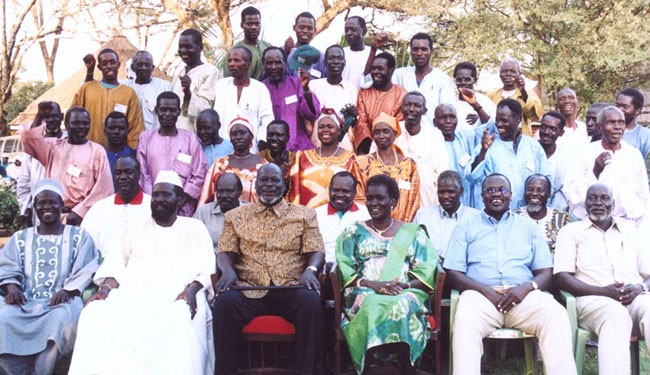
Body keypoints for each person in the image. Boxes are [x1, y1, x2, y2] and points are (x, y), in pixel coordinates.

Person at [69, 171, 216, 375]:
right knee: (93, 314)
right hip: (133, 292)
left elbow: (207, 266)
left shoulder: (194, 227)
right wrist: (104, 290)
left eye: (165, 195)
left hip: (178, 294)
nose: (159, 200)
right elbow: (116, 264)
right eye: (155, 195)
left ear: (180, 199)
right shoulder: (136, 228)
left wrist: (190, 292)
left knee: (178, 316)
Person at [444, 173, 577, 375]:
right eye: (490, 190)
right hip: (479, 297)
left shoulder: (529, 228)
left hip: (522, 297)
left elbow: (546, 273)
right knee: (465, 322)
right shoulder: (466, 227)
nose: (496, 194)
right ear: (482, 196)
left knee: (555, 314)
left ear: (511, 195)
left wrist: (526, 288)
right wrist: (486, 292)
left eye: (502, 190)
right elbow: (453, 272)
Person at [213, 163, 325, 375]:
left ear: (284, 185)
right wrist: (227, 270)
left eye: (275, 180)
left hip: (290, 288)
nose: (269, 185)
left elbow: (316, 250)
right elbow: (225, 250)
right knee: (225, 302)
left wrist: (310, 270)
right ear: (255, 185)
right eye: (264, 180)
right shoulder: (235, 216)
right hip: (249, 289)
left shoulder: (304, 214)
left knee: (310, 301)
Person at [336, 174, 437, 374]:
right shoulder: (353, 231)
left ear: (393, 201)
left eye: (379, 198)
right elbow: (344, 266)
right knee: (371, 302)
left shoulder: (413, 232)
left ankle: (406, 367)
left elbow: (427, 269)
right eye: (370, 198)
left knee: (403, 302)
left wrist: (403, 286)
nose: (373, 203)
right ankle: (367, 367)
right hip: (363, 290)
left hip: (406, 291)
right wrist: (372, 284)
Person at [0, 179, 99, 375]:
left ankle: (43, 370)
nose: (47, 207)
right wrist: (12, 288)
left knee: (61, 320)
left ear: (61, 204)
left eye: (52, 202)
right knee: (4, 318)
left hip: (60, 301)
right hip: (25, 300)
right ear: (35, 207)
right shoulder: (21, 238)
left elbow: (87, 267)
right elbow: (7, 266)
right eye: (41, 203)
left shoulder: (78, 236)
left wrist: (67, 290)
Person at [556, 183, 650, 375]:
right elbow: (562, 277)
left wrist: (640, 288)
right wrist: (603, 292)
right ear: (585, 203)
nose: (598, 203)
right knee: (615, 313)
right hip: (592, 301)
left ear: (613, 204)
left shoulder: (632, 231)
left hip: (633, 298)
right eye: (593, 198)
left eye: (604, 198)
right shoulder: (571, 232)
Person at [22, 106, 114, 225]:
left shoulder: (97, 151)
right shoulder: (52, 147)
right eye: (75, 123)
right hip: (53, 217)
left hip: (84, 218)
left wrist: (79, 212)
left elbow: (104, 189)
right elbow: (28, 137)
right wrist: (40, 115)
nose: (80, 127)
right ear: (66, 124)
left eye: (84, 123)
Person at [565, 106, 649, 224]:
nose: (617, 127)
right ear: (599, 127)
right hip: (591, 224)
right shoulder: (583, 153)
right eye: (611, 122)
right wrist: (595, 173)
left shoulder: (633, 154)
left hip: (627, 225)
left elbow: (644, 195)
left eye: (621, 123)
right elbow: (572, 194)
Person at [469, 98, 550, 209]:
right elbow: (472, 177)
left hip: (526, 215)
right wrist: (483, 151)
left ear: (518, 119)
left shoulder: (533, 146)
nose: (499, 124)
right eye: (497, 120)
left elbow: (546, 181)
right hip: (494, 216)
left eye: (504, 120)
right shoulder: (487, 145)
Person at [137, 91, 207, 217]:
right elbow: (143, 174)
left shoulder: (190, 139)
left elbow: (199, 173)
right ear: (157, 110)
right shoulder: (145, 138)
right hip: (152, 206)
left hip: (183, 208)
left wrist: (178, 202)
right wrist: (155, 200)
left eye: (172, 110)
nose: (167, 114)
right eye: (163, 110)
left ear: (179, 112)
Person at [71, 48, 144, 148]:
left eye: (112, 62)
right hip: (88, 151)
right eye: (104, 63)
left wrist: (131, 153)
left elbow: (135, 128)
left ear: (118, 64)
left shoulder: (128, 93)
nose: (109, 66)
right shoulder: (87, 88)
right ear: (99, 67)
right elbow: (72, 117)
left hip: (118, 155)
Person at [81, 156, 151, 260]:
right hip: (106, 271)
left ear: (138, 175)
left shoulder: (152, 206)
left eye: (128, 172)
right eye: (118, 173)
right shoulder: (99, 208)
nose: (123, 177)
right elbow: (86, 245)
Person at [290, 110, 362, 208]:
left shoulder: (351, 159)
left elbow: (356, 193)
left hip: (338, 218)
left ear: (339, 130)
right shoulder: (302, 157)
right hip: (306, 218)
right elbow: (295, 191)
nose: (325, 130)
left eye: (330, 126)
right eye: (321, 127)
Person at [357, 113, 420, 222]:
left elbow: (413, 200)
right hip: (372, 226)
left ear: (394, 134)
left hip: (402, 229)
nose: (381, 136)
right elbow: (359, 198)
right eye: (377, 132)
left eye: (385, 131)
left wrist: (404, 227)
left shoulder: (408, 165)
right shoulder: (362, 163)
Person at [213, 46, 273, 153]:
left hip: (250, 150)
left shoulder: (260, 89)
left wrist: (261, 143)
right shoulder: (220, 86)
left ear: (248, 64)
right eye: (229, 60)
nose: (231, 64)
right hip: (222, 149)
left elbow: (266, 120)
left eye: (236, 60)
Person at [395, 92, 448, 207]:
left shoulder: (434, 135)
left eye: (417, 105)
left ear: (424, 111)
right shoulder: (391, 130)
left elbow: (441, 170)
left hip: (427, 198)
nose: (411, 109)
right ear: (401, 108)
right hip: (396, 197)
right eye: (407, 105)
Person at [17, 101, 65, 228]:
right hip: (40, 213)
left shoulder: (70, 142)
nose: (50, 120)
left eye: (54, 116)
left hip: (65, 212)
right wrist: (25, 210)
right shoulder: (32, 145)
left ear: (62, 116)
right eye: (46, 117)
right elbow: (24, 185)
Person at [199, 117, 268, 206]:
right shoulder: (219, 165)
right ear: (230, 138)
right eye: (234, 134)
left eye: (242, 133)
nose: (238, 137)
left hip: (253, 218)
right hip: (222, 218)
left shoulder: (263, 166)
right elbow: (205, 197)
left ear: (251, 136)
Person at [263, 46, 320, 152]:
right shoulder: (260, 88)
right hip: (270, 149)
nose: (274, 67)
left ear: (285, 63)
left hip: (299, 145)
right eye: (269, 63)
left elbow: (311, 114)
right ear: (263, 65)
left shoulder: (297, 84)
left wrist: (306, 89)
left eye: (278, 62)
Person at [414, 170, 480, 258]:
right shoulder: (423, 215)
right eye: (441, 192)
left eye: (450, 192)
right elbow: (413, 247)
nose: (445, 196)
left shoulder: (475, 217)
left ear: (461, 191)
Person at [392, 32, 456, 124]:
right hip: (403, 134)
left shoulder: (442, 78)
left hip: (431, 135)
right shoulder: (400, 75)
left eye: (424, 49)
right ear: (410, 52)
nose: (419, 53)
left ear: (431, 51)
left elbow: (447, 110)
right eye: (415, 49)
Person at [170, 29, 222, 132]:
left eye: (188, 46)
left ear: (200, 47)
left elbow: (205, 110)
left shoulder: (211, 72)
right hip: (175, 134)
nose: (183, 50)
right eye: (181, 47)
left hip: (195, 136)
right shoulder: (179, 71)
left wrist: (188, 94)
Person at [354, 53, 406, 154]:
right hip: (365, 148)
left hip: (392, 150)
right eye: (373, 68)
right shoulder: (364, 93)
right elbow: (362, 122)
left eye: (380, 68)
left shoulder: (401, 95)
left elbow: (398, 126)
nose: (375, 72)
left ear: (391, 70)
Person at [309, 44, 358, 150]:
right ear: (325, 63)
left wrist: (355, 115)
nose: (336, 61)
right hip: (317, 145)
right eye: (331, 58)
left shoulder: (351, 89)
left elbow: (355, 121)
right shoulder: (313, 85)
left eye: (339, 58)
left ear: (344, 63)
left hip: (344, 147)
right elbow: (308, 114)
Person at [315, 171, 370, 264]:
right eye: (335, 190)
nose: (340, 194)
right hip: (322, 271)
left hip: (356, 271)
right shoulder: (315, 214)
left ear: (354, 193)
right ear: (329, 190)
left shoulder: (366, 215)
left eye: (345, 191)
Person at [434, 103, 479, 206]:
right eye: (443, 118)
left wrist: (477, 108)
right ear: (435, 122)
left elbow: (488, 129)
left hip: (467, 202)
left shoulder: (465, 138)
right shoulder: (432, 143)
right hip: (442, 203)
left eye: (452, 117)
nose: (448, 121)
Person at [514, 174, 571, 254]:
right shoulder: (513, 217)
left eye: (540, 190)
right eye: (530, 189)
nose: (534, 193)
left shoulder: (562, 219)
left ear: (549, 194)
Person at [487, 58, 543, 136]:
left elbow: (534, 116)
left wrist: (523, 92)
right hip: (496, 138)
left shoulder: (528, 93)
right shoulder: (492, 95)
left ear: (519, 74)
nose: (508, 74)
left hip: (520, 140)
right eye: (504, 71)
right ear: (499, 74)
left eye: (512, 71)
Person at [193, 173, 243, 251]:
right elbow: (195, 243)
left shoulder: (251, 213)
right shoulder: (203, 212)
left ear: (240, 192)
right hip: (212, 260)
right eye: (220, 191)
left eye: (229, 191)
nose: (224, 195)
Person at [124, 50, 171, 130]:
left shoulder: (164, 87)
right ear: (133, 67)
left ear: (152, 68)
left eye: (147, 65)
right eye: (140, 64)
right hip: (131, 137)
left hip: (156, 136)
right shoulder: (124, 87)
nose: (144, 68)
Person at [537, 111, 573, 212]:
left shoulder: (565, 158)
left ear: (561, 133)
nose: (546, 132)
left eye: (553, 129)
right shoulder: (527, 151)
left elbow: (564, 192)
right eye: (543, 127)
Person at [341, 16, 386, 90]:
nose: (349, 33)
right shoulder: (340, 54)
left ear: (364, 31)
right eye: (346, 30)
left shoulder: (377, 55)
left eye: (353, 29)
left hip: (366, 100)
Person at [230, 6, 272, 81]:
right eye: (249, 24)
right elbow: (230, 79)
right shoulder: (235, 51)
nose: (254, 27)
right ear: (242, 25)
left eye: (257, 24)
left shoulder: (268, 47)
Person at [452, 61, 495, 129]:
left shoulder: (485, 101)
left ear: (474, 80)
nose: (463, 83)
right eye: (459, 80)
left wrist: (480, 118)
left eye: (467, 79)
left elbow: (494, 125)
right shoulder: (450, 101)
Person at [284, 12, 327, 78]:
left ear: (314, 30)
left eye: (309, 28)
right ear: (294, 28)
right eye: (301, 27)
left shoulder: (321, 57)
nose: (305, 31)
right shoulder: (283, 52)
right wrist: (285, 54)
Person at [257, 119, 295, 195]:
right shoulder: (258, 158)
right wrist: (275, 166)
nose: (274, 138)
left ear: (288, 138)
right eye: (270, 135)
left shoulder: (296, 159)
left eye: (279, 135)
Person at [103, 111, 136, 191]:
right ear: (105, 131)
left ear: (127, 132)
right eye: (112, 128)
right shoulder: (99, 155)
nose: (116, 132)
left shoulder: (134, 155)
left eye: (121, 128)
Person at [617, 87, 650, 159]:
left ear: (638, 110)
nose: (619, 110)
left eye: (625, 107)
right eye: (617, 105)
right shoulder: (606, 131)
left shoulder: (646, 136)